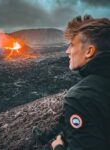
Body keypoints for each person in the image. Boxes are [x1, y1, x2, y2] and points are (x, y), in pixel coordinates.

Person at [51, 15, 110, 150]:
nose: (67, 51)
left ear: (89, 51)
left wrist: (58, 147)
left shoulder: (80, 98)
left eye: (72, 45)